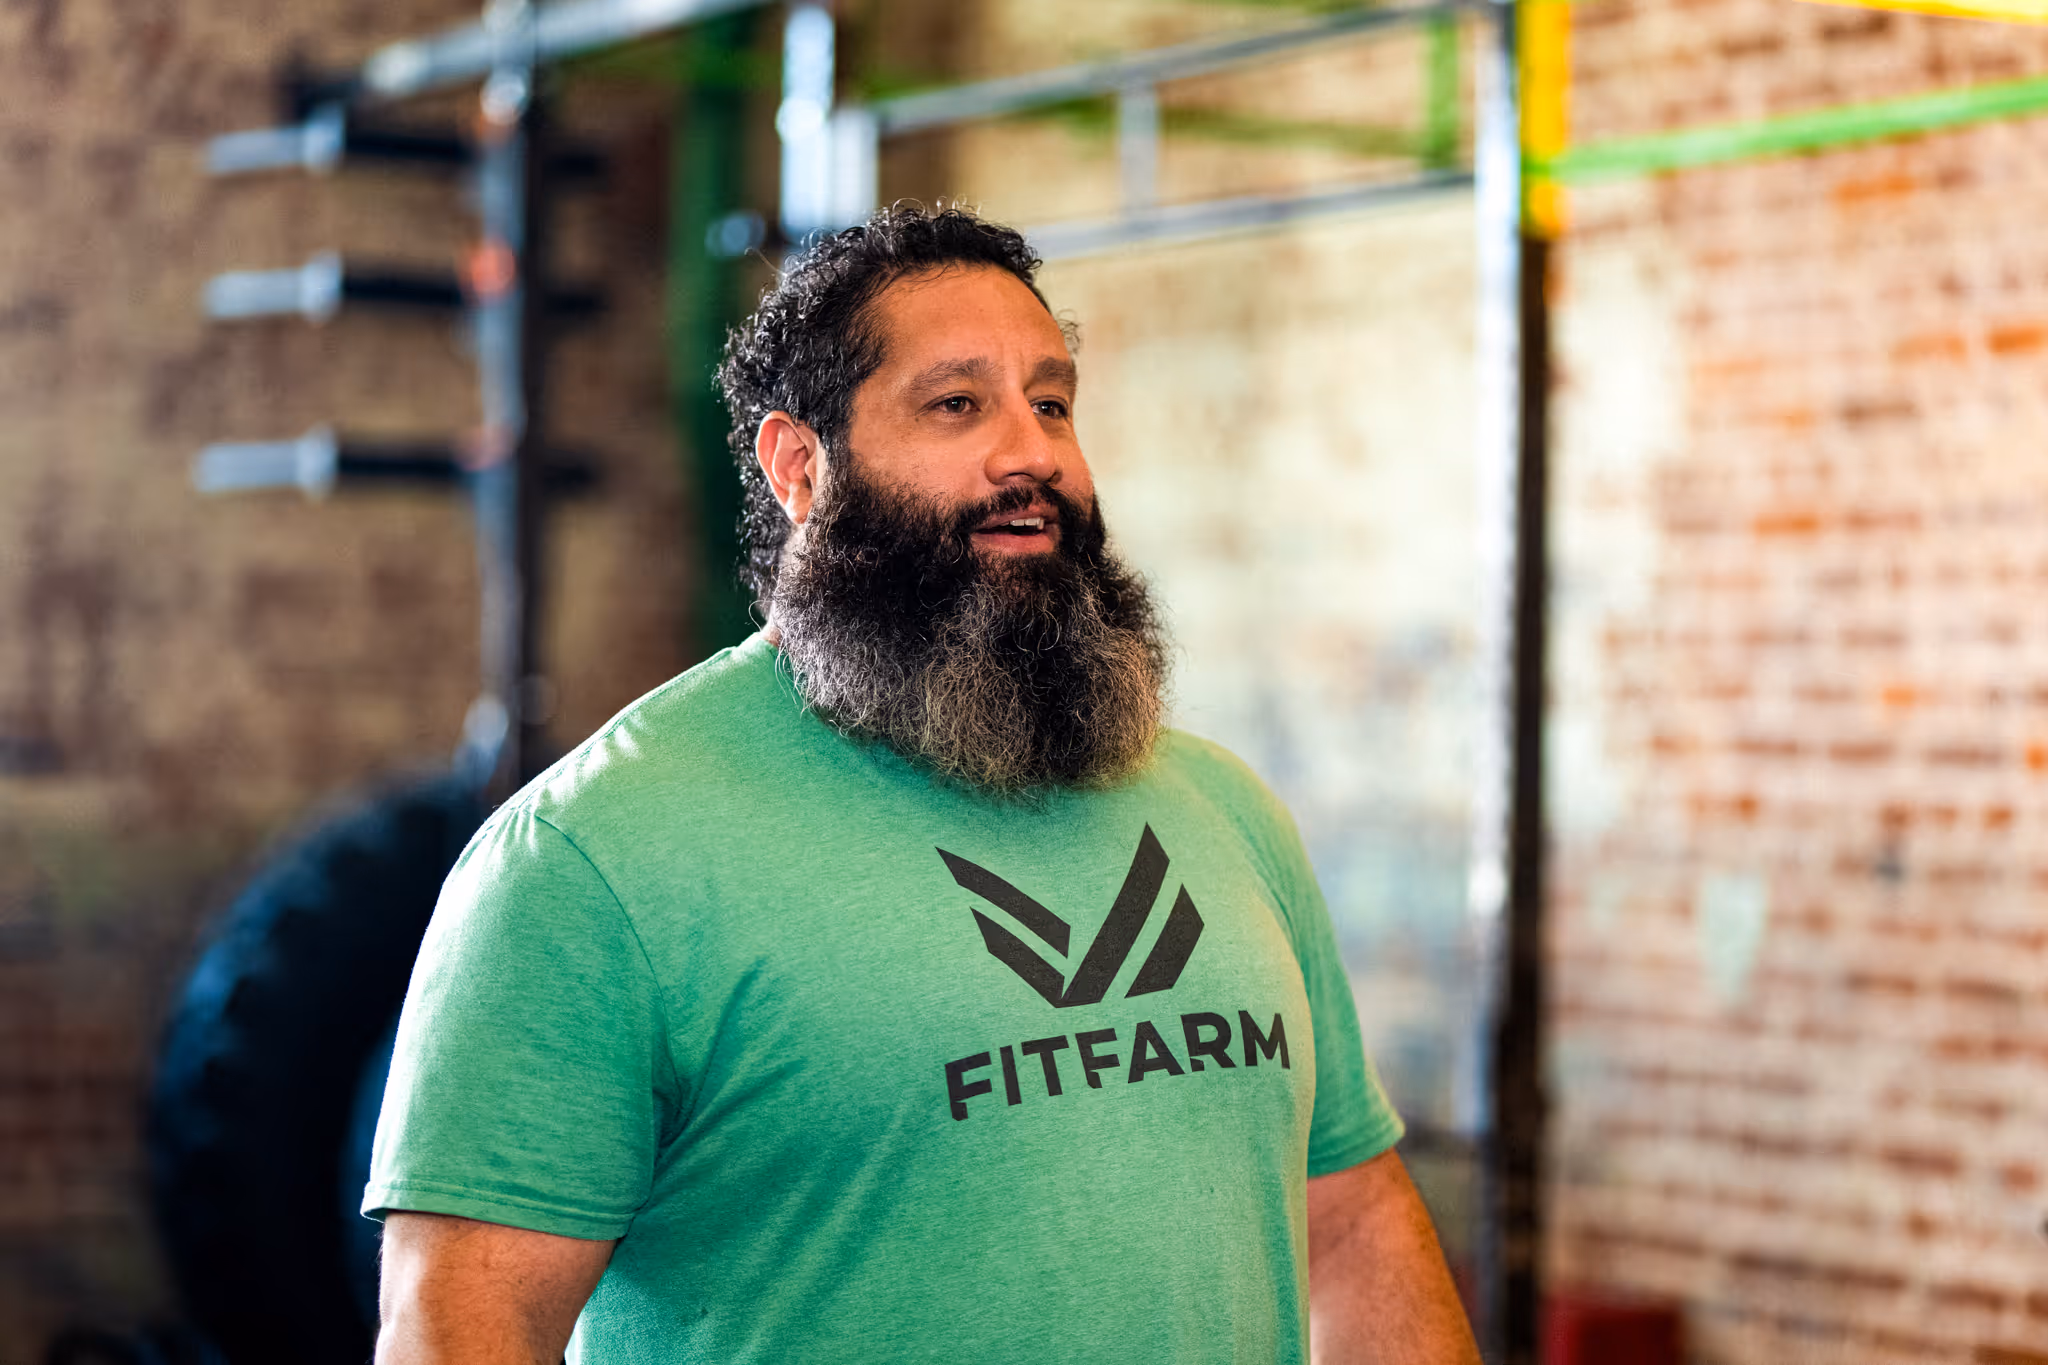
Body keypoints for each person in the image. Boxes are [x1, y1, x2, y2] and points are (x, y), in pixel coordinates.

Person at [366, 204, 1480, 1364]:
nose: (1031, 454)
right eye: (956, 406)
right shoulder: (590, 862)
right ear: (800, 467)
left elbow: (1348, 1222)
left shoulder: (1220, 810)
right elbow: (463, 1328)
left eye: (1050, 404)